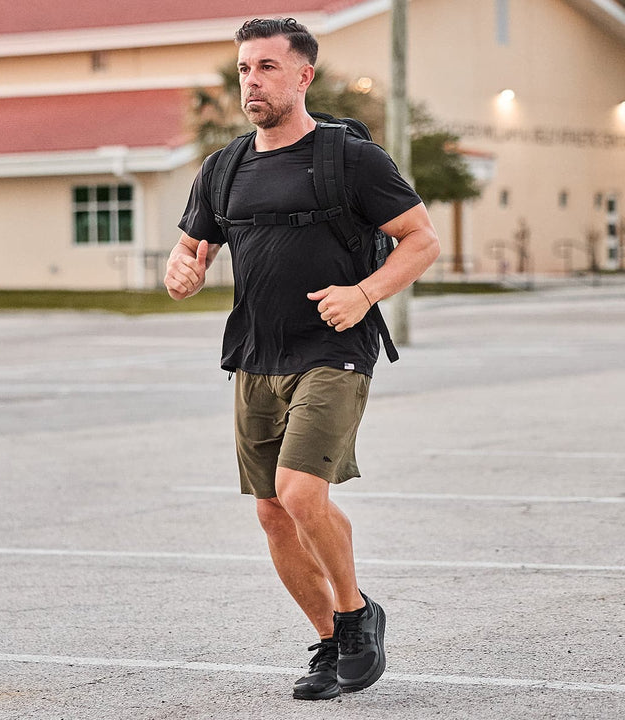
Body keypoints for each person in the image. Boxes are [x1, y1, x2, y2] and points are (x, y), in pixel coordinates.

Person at [164, 17, 440, 701]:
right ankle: (330, 640)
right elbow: (192, 245)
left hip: (334, 350)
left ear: (303, 76)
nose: (250, 82)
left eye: (265, 67)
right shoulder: (222, 167)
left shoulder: (350, 159)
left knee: (299, 491)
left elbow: (421, 238)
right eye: (243, 70)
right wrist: (182, 268)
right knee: (271, 513)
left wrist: (365, 293)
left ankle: (355, 616)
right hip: (257, 355)